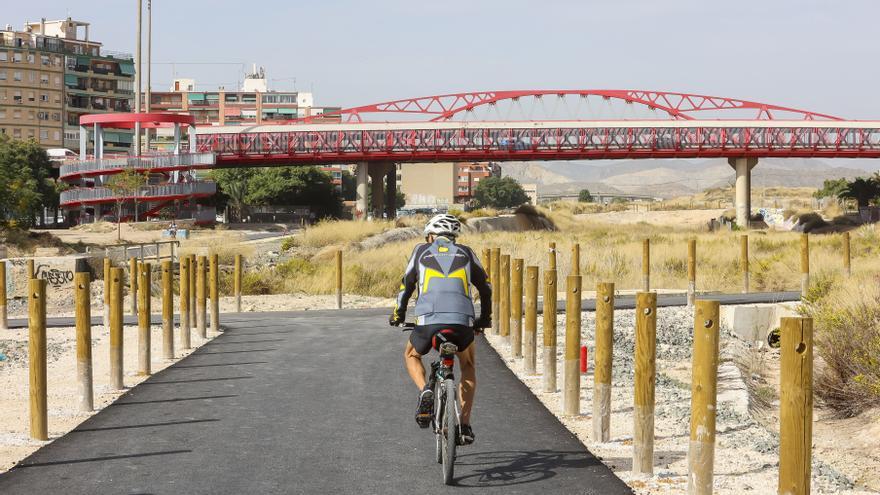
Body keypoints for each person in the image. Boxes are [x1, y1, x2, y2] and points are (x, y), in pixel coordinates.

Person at [389, 214, 491, 446]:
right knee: (467, 365)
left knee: (412, 355)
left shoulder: (420, 251)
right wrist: (484, 320)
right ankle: (463, 426)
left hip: (428, 321)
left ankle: (425, 389)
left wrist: (398, 316)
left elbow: (406, 286)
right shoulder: (466, 252)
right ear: (454, 236)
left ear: (430, 235)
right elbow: (485, 288)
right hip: (462, 321)